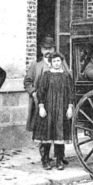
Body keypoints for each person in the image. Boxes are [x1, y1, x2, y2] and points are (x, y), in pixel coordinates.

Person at [24, 36, 70, 167]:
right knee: (44, 130)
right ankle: (45, 157)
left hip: (59, 102)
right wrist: (33, 93)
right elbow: (27, 82)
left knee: (59, 128)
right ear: (41, 50)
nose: (48, 51)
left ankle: (60, 157)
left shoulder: (61, 62)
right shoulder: (36, 65)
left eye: (50, 48)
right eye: (45, 49)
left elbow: (68, 78)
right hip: (42, 102)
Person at [33, 53, 74, 170]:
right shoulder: (46, 75)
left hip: (62, 109)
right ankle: (45, 160)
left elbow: (71, 92)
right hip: (49, 109)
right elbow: (41, 92)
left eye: (58, 61)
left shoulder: (66, 76)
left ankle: (59, 160)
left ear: (61, 62)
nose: (57, 63)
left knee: (60, 135)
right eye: (54, 61)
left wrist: (70, 107)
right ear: (51, 63)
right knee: (47, 135)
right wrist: (41, 107)